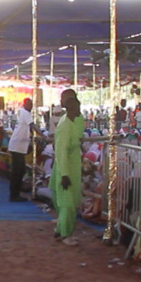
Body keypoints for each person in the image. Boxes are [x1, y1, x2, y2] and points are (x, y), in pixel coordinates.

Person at [50, 89, 85, 245]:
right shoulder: (65, 125)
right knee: (68, 203)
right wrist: (64, 174)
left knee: (68, 201)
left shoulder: (73, 120)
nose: (79, 111)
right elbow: (61, 150)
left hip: (71, 165)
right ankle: (66, 234)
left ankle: (60, 229)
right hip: (66, 167)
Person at [7, 98, 41, 203]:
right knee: (17, 171)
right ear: (25, 104)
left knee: (20, 170)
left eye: (31, 104)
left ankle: (16, 192)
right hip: (17, 146)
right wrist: (42, 135)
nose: (30, 106)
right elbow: (32, 125)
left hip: (18, 146)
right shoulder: (25, 113)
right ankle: (14, 194)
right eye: (29, 104)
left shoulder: (22, 112)